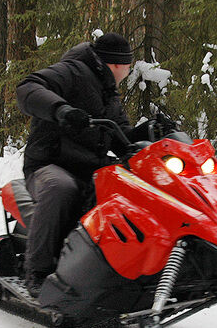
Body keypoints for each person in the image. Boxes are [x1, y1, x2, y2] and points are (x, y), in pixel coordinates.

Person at [15, 32, 136, 297]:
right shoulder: (73, 71)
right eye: (128, 66)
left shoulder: (108, 92)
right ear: (118, 64)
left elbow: (121, 135)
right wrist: (62, 110)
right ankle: (37, 271)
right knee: (62, 188)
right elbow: (28, 87)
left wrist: (151, 133)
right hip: (49, 163)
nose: (128, 72)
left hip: (89, 167)